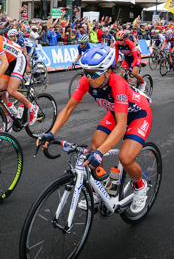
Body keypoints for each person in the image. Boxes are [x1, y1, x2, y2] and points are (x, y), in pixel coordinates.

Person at [38, 45, 152, 214]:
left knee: (125, 158)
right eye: (86, 72)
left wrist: (100, 153)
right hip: (116, 111)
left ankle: (141, 187)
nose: (89, 78)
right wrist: (50, 132)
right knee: (95, 144)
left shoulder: (117, 83)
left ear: (107, 71)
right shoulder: (86, 81)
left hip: (138, 114)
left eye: (94, 73)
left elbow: (121, 126)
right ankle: (101, 189)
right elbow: (68, 109)